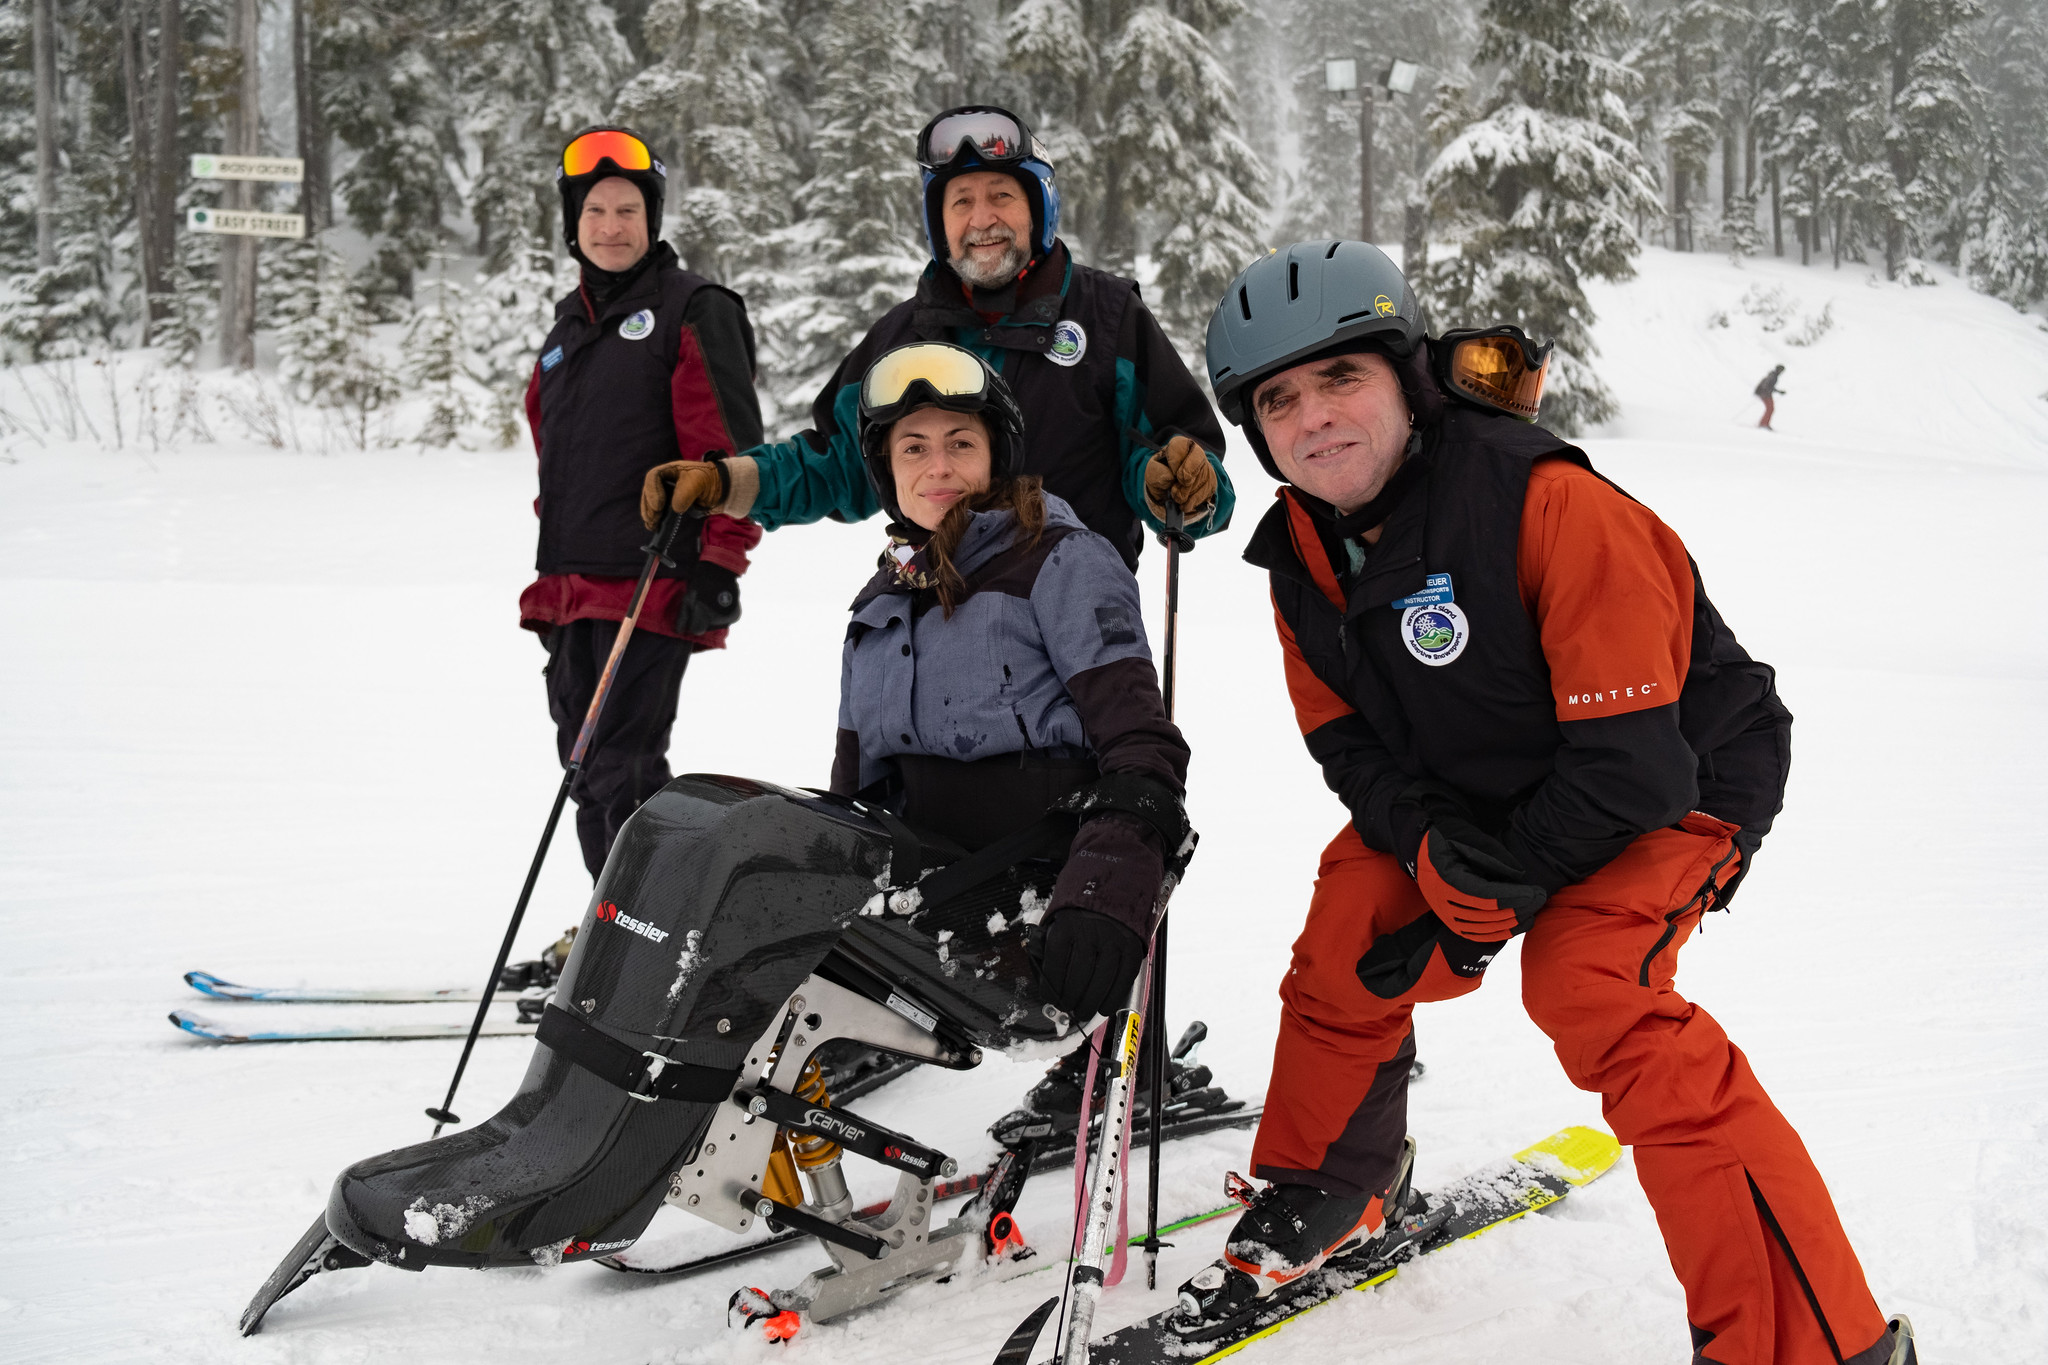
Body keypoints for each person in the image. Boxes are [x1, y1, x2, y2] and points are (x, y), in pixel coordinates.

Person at [1176, 241, 1915, 1365]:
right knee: (1352, 912)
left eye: (1341, 378)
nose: (1313, 417)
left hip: (1681, 780)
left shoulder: (1542, 500)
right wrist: (1429, 853)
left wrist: (1496, 884)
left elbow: (1634, 767)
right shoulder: (1300, 559)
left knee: (1589, 983)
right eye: (1277, 398)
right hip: (1485, 793)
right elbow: (1346, 744)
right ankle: (1336, 1187)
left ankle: (1810, 1344)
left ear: (1405, 378)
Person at [640, 104, 1233, 571]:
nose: (982, 220)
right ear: (938, 222)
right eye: (961, 202)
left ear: (1039, 207)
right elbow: (840, 463)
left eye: (1002, 195)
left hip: (1078, 627)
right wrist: (726, 481)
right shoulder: (904, 336)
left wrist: (1181, 485)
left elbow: (1174, 457)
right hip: (938, 624)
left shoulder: (1106, 317)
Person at [832, 339, 1191, 1049]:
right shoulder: (878, 607)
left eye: (961, 442)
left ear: (997, 452)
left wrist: (1105, 894)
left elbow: (1142, 751)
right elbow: (852, 801)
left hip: (1031, 897)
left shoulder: (1060, 560)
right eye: (913, 449)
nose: (939, 466)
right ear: (886, 471)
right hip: (920, 900)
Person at [518, 126, 764, 890]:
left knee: (624, 774)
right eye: (595, 211)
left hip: (651, 586)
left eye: (628, 209)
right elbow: (553, 452)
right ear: (573, 225)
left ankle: (647, 945)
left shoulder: (692, 309)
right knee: (586, 771)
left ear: (652, 219)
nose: (612, 226)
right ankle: (612, 927)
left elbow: (728, 451)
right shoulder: (566, 333)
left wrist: (721, 560)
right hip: (570, 590)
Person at [1756, 363, 1786, 429]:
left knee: (1771, 409)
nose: (1782, 372)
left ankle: (1764, 423)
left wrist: (1778, 391)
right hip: (1765, 394)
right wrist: (1777, 391)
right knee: (1770, 409)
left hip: (1766, 394)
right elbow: (1767, 385)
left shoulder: (1773, 375)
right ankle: (1763, 423)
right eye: (1781, 370)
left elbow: (1769, 386)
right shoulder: (1773, 376)